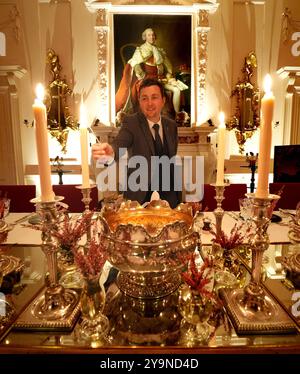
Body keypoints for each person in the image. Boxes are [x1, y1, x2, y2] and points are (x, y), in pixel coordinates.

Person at [93, 78, 181, 208]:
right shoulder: (131, 123)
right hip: (139, 197)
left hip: (170, 197)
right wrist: (110, 152)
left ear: (163, 100)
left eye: (154, 97)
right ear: (139, 102)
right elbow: (119, 144)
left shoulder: (171, 125)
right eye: (144, 98)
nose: (149, 103)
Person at [115, 28, 188, 118]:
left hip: (160, 79)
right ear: (145, 37)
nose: (152, 37)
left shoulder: (159, 50)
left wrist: (170, 77)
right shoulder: (141, 50)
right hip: (147, 79)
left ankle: (178, 115)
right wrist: (142, 75)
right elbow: (135, 64)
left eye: (153, 35)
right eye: (149, 35)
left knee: (177, 90)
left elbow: (167, 68)